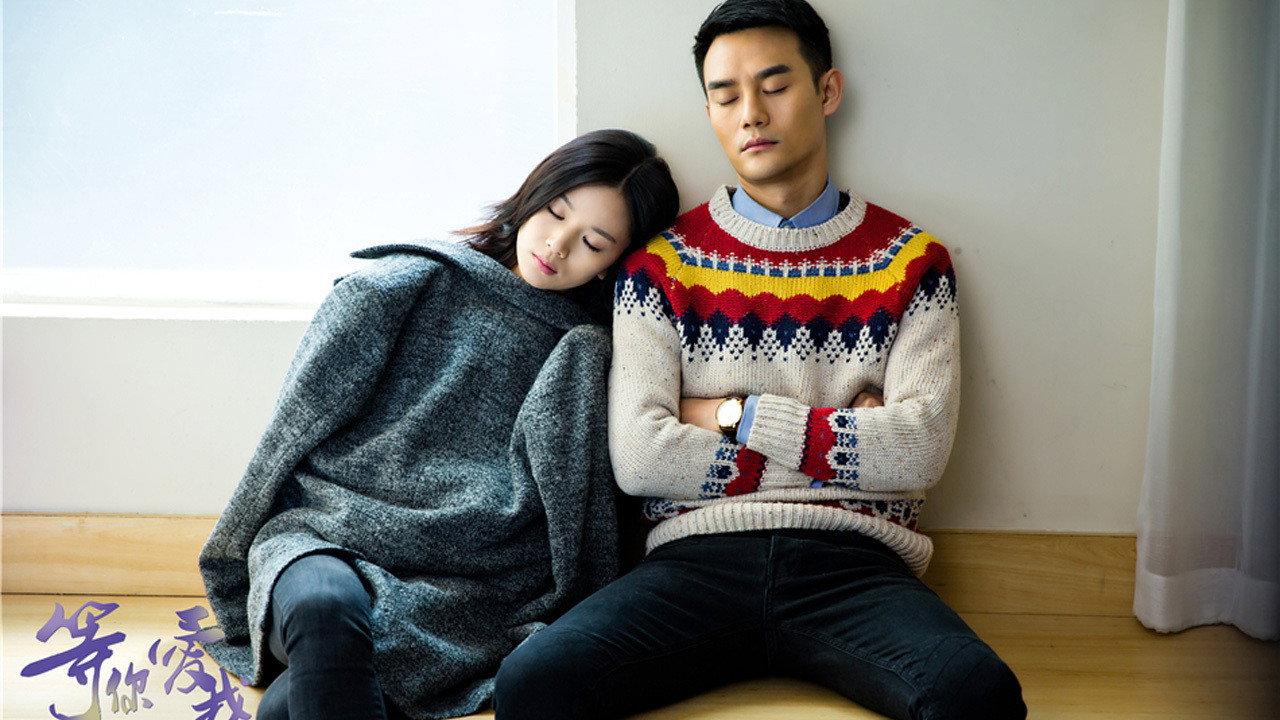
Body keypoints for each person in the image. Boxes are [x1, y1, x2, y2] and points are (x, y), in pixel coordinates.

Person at [494, 2, 1028, 719]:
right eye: (725, 96)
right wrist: (843, 441)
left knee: (979, 694)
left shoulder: (911, 263)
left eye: (774, 86)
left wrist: (728, 415)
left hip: (854, 569)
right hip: (692, 565)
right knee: (533, 683)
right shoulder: (659, 267)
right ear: (710, 112)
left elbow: (919, 451)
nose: (750, 114)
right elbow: (641, 459)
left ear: (827, 91)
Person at [197, 128, 679, 720]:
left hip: (464, 590)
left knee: (293, 702)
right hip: (326, 538)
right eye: (556, 212)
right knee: (324, 612)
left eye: (593, 243)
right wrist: (236, 550)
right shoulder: (406, 284)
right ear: (534, 193)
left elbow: (577, 519)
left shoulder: (583, 353)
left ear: (614, 265)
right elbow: (291, 432)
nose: (557, 245)